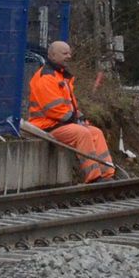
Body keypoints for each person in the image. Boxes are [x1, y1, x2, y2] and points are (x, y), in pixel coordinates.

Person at [27, 41, 116, 183]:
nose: (69, 56)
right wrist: (77, 121)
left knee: (96, 132)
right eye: (65, 53)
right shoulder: (46, 78)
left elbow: (70, 107)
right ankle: (93, 178)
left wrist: (80, 118)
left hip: (61, 124)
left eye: (69, 53)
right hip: (47, 126)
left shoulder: (60, 76)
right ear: (53, 55)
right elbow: (55, 111)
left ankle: (108, 175)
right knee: (83, 133)